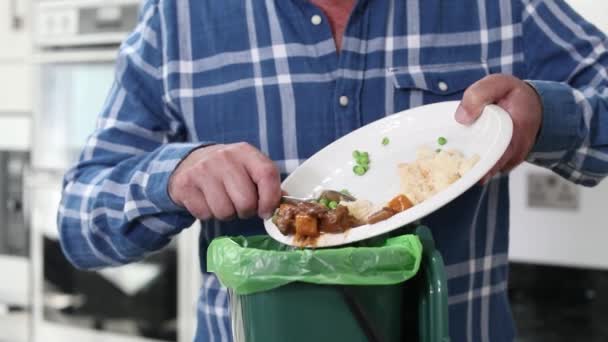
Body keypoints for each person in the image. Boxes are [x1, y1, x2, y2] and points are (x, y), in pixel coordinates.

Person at [57, 0, 608, 341]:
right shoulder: (176, 16)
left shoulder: (502, 5)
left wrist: (547, 114)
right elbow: (80, 222)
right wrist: (173, 177)